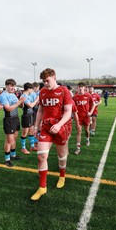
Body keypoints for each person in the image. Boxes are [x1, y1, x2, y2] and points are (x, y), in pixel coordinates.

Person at [30, 68, 73, 201]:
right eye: (43, 81)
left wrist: (59, 124)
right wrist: (36, 126)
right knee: (41, 156)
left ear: (54, 77)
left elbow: (68, 111)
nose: (45, 84)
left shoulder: (64, 90)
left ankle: (62, 175)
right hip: (46, 127)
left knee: (61, 155)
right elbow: (40, 111)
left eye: (47, 81)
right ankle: (42, 187)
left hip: (61, 127)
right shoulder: (42, 92)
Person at [0, 79, 26, 167]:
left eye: (13, 86)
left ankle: (13, 155)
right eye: (10, 85)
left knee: (14, 137)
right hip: (9, 119)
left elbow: (19, 106)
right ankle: (7, 159)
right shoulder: (3, 95)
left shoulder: (14, 95)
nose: (12, 87)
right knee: (9, 140)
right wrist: (19, 102)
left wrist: (22, 103)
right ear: (6, 85)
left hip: (15, 118)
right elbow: (8, 108)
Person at [73, 82, 94, 155]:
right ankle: (78, 148)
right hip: (78, 117)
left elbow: (93, 104)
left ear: (84, 88)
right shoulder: (75, 97)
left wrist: (90, 112)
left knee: (87, 130)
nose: (80, 88)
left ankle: (87, 139)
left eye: (82, 87)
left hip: (86, 117)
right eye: (79, 87)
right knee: (79, 131)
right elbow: (73, 107)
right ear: (77, 88)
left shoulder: (88, 95)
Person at [20, 82, 39, 155]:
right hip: (26, 115)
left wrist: (36, 101)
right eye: (31, 89)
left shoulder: (30, 95)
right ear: (28, 89)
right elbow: (30, 105)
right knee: (25, 132)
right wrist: (36, 100)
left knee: (31, 131)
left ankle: (32, 146)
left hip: (31, 114)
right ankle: (23, 148)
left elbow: (34, 104)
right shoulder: (23, 96)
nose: (32, 90)